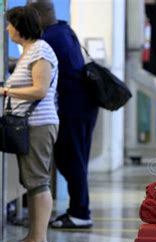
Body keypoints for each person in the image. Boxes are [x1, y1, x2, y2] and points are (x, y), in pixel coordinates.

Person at [29, 1, 99, 229]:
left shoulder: (50, 39)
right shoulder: (63, 29)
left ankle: (80, 212)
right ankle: (78, 209)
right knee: (77, 159)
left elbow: (38, 72)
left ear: (38, 17)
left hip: (73, 107)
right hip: (84, 105)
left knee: (71, 160)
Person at [1, 6, 59, 242]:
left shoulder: (41, 50)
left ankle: (39, 239)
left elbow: (40, 90)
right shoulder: (28, 51)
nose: (7, 29)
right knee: (32, 181)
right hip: (32, 125)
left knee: (38, 181)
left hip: (39, 124)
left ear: (20, 27)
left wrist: (6, 91)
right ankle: (32, 237)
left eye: (10, 24)